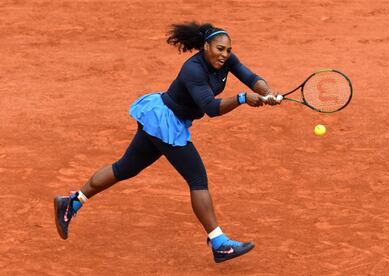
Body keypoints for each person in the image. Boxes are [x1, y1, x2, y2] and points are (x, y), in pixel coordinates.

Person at [54, 22, 281, 263]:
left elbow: (252, 77)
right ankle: (219, 243)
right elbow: (211, 108)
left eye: (228, 50)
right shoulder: (193, 70)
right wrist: (242, 98)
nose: (224, 54)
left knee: (126, 167)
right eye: (220, 49)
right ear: (205, 47)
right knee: (197, 179)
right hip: (165, 123)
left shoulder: (227, 60)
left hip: (162, 120)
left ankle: (71, 202)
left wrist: (267, 92)